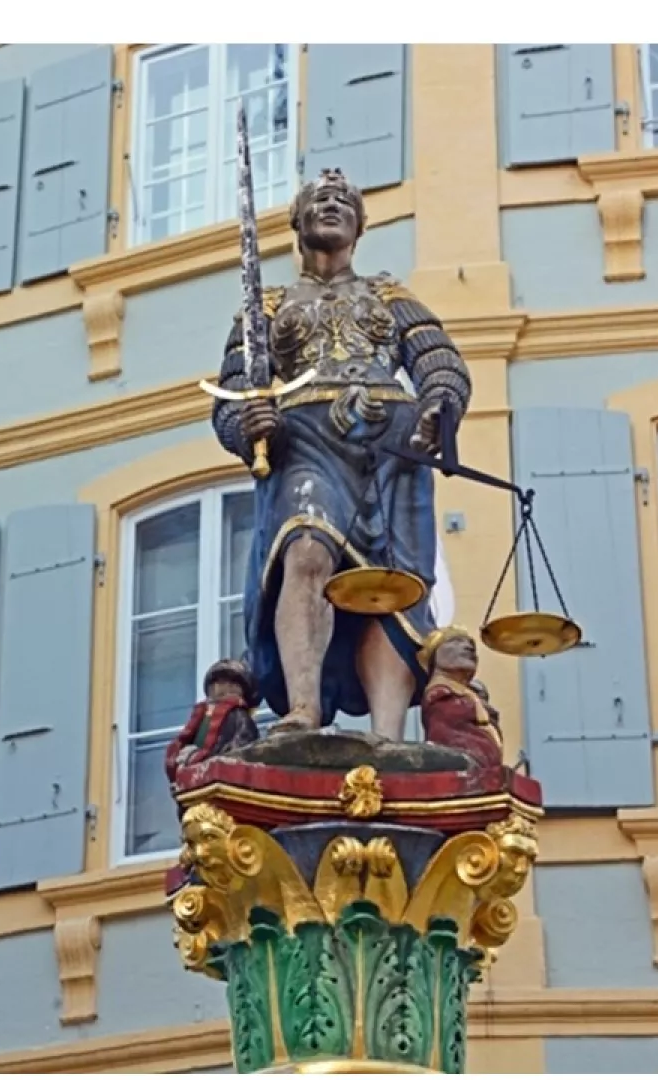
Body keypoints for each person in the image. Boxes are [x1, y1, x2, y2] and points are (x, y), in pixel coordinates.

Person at [211, 168, 472, 738]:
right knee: (304, 550)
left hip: (391, 447)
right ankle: (302, 708)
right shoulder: (267, 307)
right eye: (319, 200)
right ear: (297, 223)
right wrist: (249, 424)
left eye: (343, 202)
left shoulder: (388, 294)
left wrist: (438, 406)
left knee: (393, 588)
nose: (332, 206)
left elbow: (439, 361)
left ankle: (388, 735)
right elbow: (234, 394)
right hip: (304, 441)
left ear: (360, 224)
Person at [164, 658, 262, 790]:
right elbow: (182, 746)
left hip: (220, 783)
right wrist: (183, 757)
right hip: (193, 783)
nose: (221, 687)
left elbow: (241, 749)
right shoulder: (201, 717)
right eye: (217, 682)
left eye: (229, 683)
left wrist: (205, 758)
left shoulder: (238, 716)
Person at [416, 628, 504, 768]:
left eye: (471, 645)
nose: (468, 647)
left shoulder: (470, 695)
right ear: (435, 655)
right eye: (455, 641)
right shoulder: (440, 694)